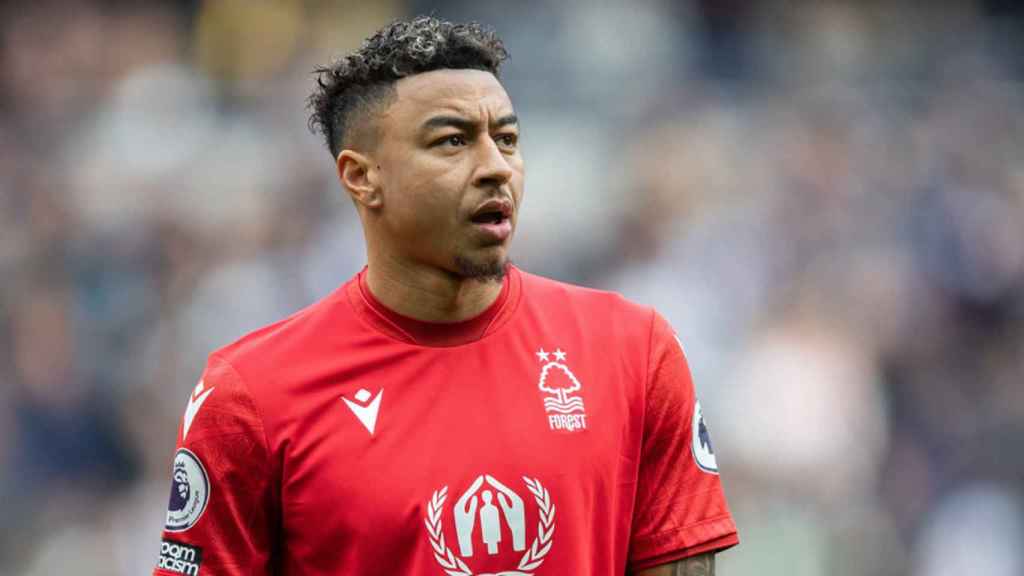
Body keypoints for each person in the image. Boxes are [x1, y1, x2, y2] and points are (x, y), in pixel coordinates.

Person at [152, 16, 738, 576]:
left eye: (506, 139)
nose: (495, 168)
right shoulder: (251, 394)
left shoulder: (633, 351)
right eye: (453, 142)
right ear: (362, 176)